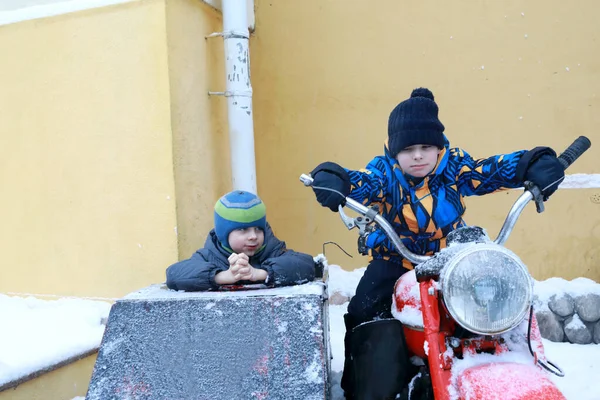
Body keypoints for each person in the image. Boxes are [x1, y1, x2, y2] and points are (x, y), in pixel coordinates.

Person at [309, 87, 565, 399]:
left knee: (498, 299)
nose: (417, 155)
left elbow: (493, 169)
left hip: (451, 261)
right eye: (408, 149)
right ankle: (361, 384)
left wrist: (532, 164)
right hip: (395, 260)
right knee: (364, 308)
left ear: (439, 147)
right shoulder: (384, 172)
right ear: (394, 151)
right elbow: (361, 180)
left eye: (426, 147)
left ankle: (509, 360)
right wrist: (336, 179)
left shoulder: (455, 167)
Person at [166, 190, 316, 291]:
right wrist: (222, 276)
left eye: (258, 229)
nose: (253, 236)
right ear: (224, 234)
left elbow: (306, 265)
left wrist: (261, 274)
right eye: (243, 230)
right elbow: (174, 274)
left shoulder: (272, 250)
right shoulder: (210, 256)